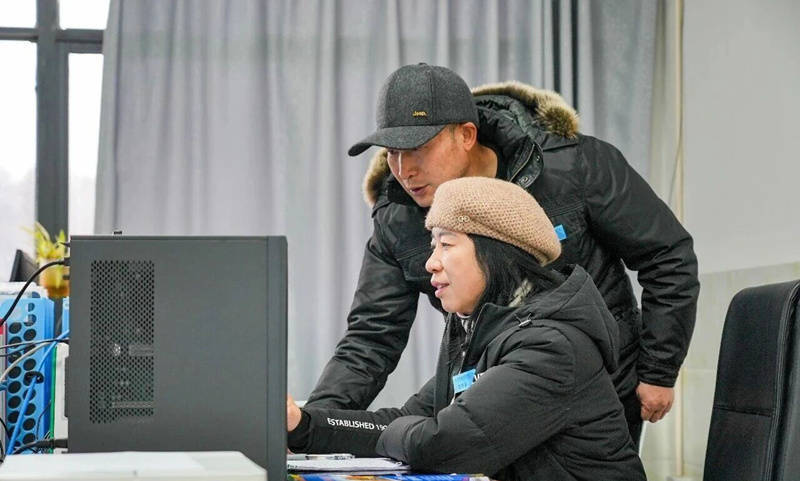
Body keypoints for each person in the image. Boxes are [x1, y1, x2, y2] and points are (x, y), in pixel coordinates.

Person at [307, 63, 699, 445]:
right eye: (392, 152)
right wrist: (308, 428)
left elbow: (666, 255)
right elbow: (371, 335)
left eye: (419, 148)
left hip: (604, 378)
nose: (404, 169)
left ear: (466, 134)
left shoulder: (571, 165)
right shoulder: (397, 219)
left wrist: (658, 370)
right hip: (496, 388)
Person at [288, 177, 647, 480]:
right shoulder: (477, 332)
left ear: (496, 252)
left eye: (446, 244)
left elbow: (440, 445)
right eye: (433, 246)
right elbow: (409, 421)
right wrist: (303, 425)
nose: (430, 263)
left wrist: (407, 431)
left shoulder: (552, 346)